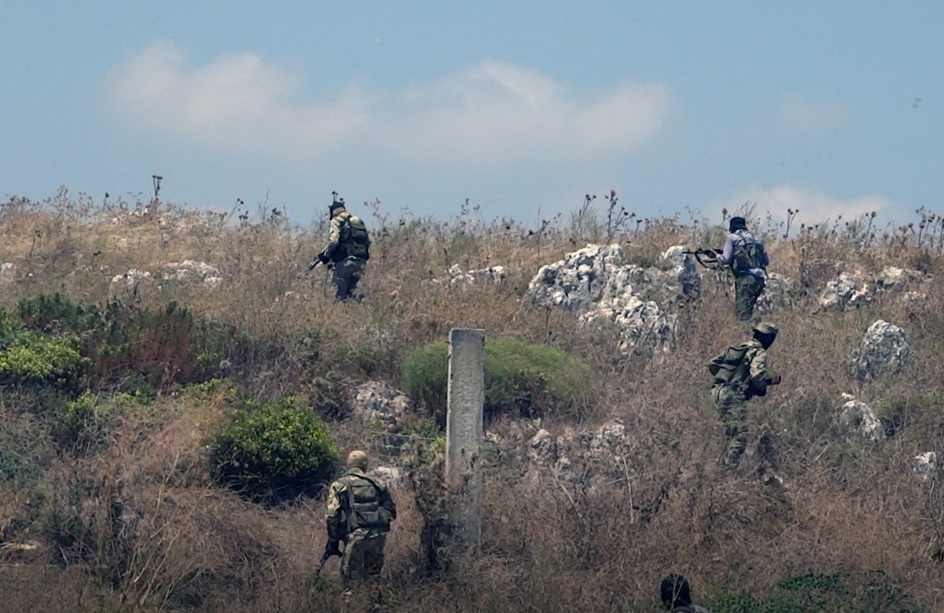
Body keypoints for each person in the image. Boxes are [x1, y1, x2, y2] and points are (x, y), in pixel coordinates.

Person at [707, 322, 782, 467]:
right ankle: (727, 471)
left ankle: (714, 464)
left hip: (715, 391)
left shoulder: (735, 348)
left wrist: (726, 380)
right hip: (732, 395)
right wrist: (760, 388)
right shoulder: (758, 352)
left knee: (724, 432)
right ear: (768, 338)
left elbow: (712, 364)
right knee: (740, 436)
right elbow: (757, 374)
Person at [325, 450, 397, 584]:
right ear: (365, 465)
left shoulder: (339, 485)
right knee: (373, 577)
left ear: (348, 465)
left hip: (355, 536)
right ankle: (375, 603)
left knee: (350, 579)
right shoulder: (378, 484)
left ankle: (351, 603)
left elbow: (331, 515)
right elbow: (391, 512)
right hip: (378, 536)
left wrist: (334, 539)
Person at [310, 193, 371, 301]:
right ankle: (365, 304)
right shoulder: (357, 220)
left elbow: (333, 242)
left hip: (345, 263)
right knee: (353, 291)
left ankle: (343, 313)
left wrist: (325, 256)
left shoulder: (336, 220)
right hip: (361, 262)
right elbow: (368, 241)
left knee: (339, 295)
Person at [714, 216, 769, 322]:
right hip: (760, 279)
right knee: (756, 311)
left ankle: (748, 335)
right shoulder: (757, 238)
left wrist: (716, 255)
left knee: (743, 314)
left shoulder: (732, 238)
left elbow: (725, 260)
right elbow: (766, 261)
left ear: (731, 227)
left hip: (745, 279)